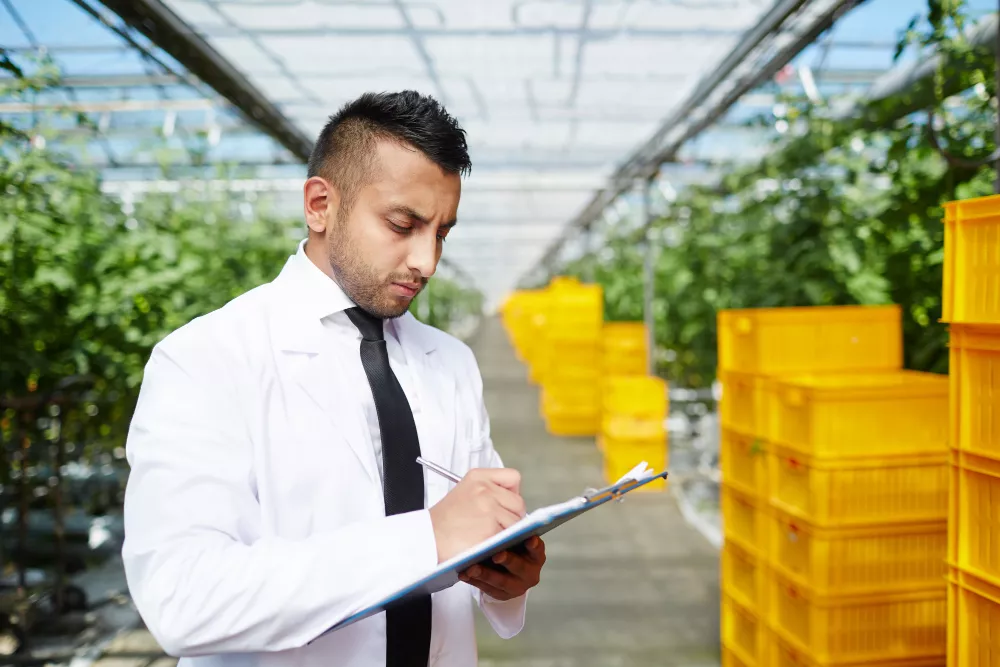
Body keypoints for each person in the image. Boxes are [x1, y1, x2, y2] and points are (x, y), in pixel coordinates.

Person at [121, 90, 546, 667]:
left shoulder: (449, 361)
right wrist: (425, 539)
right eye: (403, 224)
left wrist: (503, 573)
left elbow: (468, 537)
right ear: (320, 204)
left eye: (442, 232)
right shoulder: (206, 359)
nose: (428, 260)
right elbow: (184, 597)